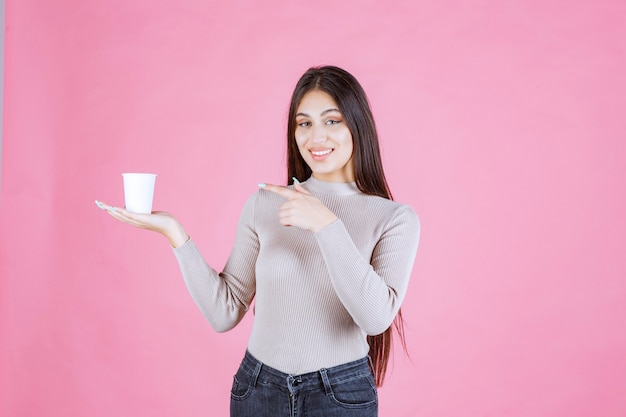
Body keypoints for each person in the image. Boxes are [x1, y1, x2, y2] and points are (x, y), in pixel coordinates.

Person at [96, 65, 420, 417]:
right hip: (259, 390)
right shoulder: (266, 204)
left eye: (332, 121)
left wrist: (327, 226)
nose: (316, 137)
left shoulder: (394, 219)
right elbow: (225, 311)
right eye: (304, 123)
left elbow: (375, 319)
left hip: (340, 396)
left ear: (357, 125)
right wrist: (175, 233)